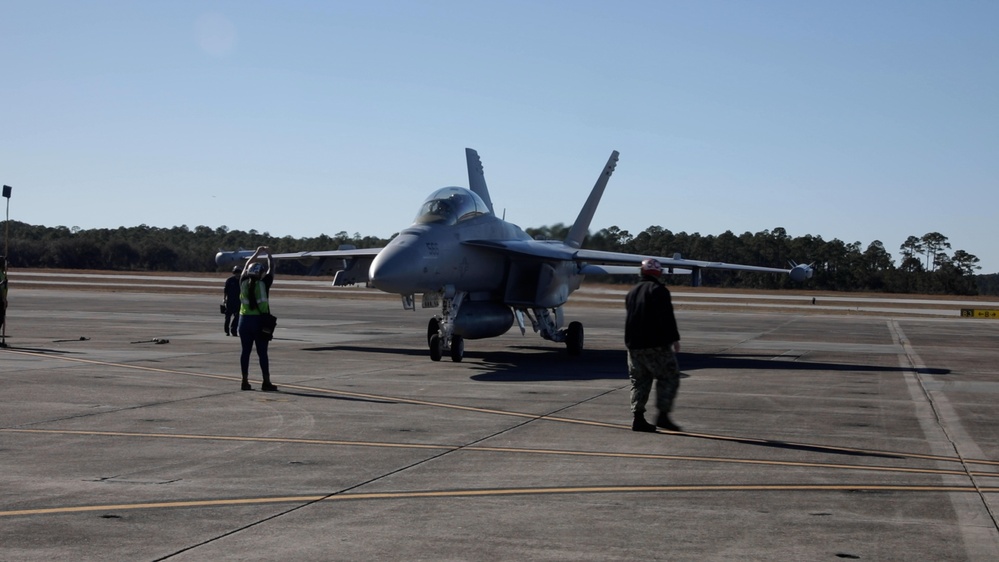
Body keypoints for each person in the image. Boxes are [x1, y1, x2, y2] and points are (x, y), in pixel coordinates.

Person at [624, 258, 682, 433]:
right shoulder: (659, 291)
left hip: (633, 346)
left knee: (639, 381)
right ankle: (663, 415)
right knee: (669, 376)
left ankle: (638, 418)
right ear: (659, 273)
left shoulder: (632, 292)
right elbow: (666, 317)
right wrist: (674, 338)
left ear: (641, 272)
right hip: (655, 345)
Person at [238, 246, 277, 392]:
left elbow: (247, 265)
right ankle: (266, 382)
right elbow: (272, 267)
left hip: (243, 322)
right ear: (261, 274)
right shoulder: (264, 283)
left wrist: (256, 252)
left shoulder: (242, 282)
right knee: (262, 353)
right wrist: (269, 255)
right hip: (259, 321)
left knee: (245, 352)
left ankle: (244, 381)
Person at [223, 266, 241, 336]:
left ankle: (234, 330)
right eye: (236, 273)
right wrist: (224, 299)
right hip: (230, 301)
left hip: (238, 301)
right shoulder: (230, 280)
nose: (237, 274)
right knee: (227, 317)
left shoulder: (241, 281)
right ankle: (227, 330)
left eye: (239, 273)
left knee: (237, 317)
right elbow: (225, 290)